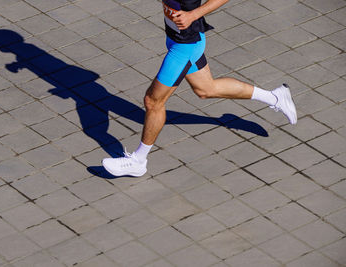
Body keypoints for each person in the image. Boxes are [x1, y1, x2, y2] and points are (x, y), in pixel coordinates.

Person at [102, 0, 297, 177]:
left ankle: (138, 160)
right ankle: (275, 97)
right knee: (206, 89)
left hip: (185, 45)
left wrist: (193, 15)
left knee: (153, 101)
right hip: (175, 38)